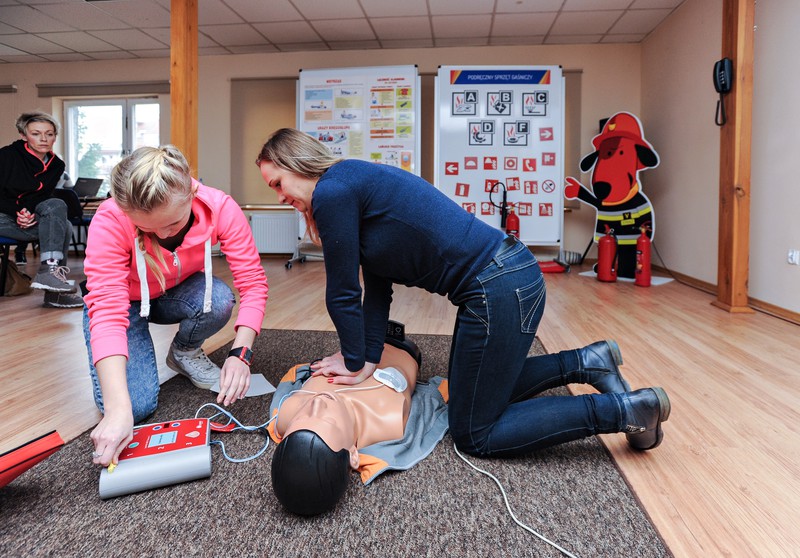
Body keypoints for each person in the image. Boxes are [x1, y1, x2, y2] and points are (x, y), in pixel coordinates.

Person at [256, 128, 671, 462]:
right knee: (466, 391)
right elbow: (376, 291)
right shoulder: (350, 185)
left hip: (499, 286)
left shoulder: (332, 191)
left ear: (298, 163)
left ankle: (627, 411)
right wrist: (364, 356)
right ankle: (587, 362)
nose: (279, 196)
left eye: (278, 182)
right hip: (505, 281)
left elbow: (342, 293)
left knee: (475, 432)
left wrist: (353, 363)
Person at [83, 145, 269, 469]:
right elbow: (108, 312)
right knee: (134, 408)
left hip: (173, 292)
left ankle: (183, 352)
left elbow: (252, 283)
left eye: (171, 224)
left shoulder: (220, 207)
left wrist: (240, 355)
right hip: (125, 304)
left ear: (191, 193)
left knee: (220, 299)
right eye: (146, 228)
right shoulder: (111, 218)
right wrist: (116, 411)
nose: (160, 234)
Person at [269, 332, 448, 516]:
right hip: (402, 346)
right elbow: (435, 397)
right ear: (354, 456)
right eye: (328, 420)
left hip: (356, 335)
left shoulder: (286, 413)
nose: (317, 403)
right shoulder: (388, 418)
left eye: (300, 417)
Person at [0, 111, 83, 308]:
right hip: (3, 216)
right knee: (65, 227)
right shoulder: (6, 156)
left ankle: (50, 273)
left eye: (49, 134)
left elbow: (40, 197)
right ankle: (54, 294)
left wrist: (30, 215)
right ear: (24, 135)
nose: (44, 139)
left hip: (24, 218)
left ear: (55, 136)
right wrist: (19, 213)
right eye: (36, 133)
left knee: (59, 211)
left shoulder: (56, 165)